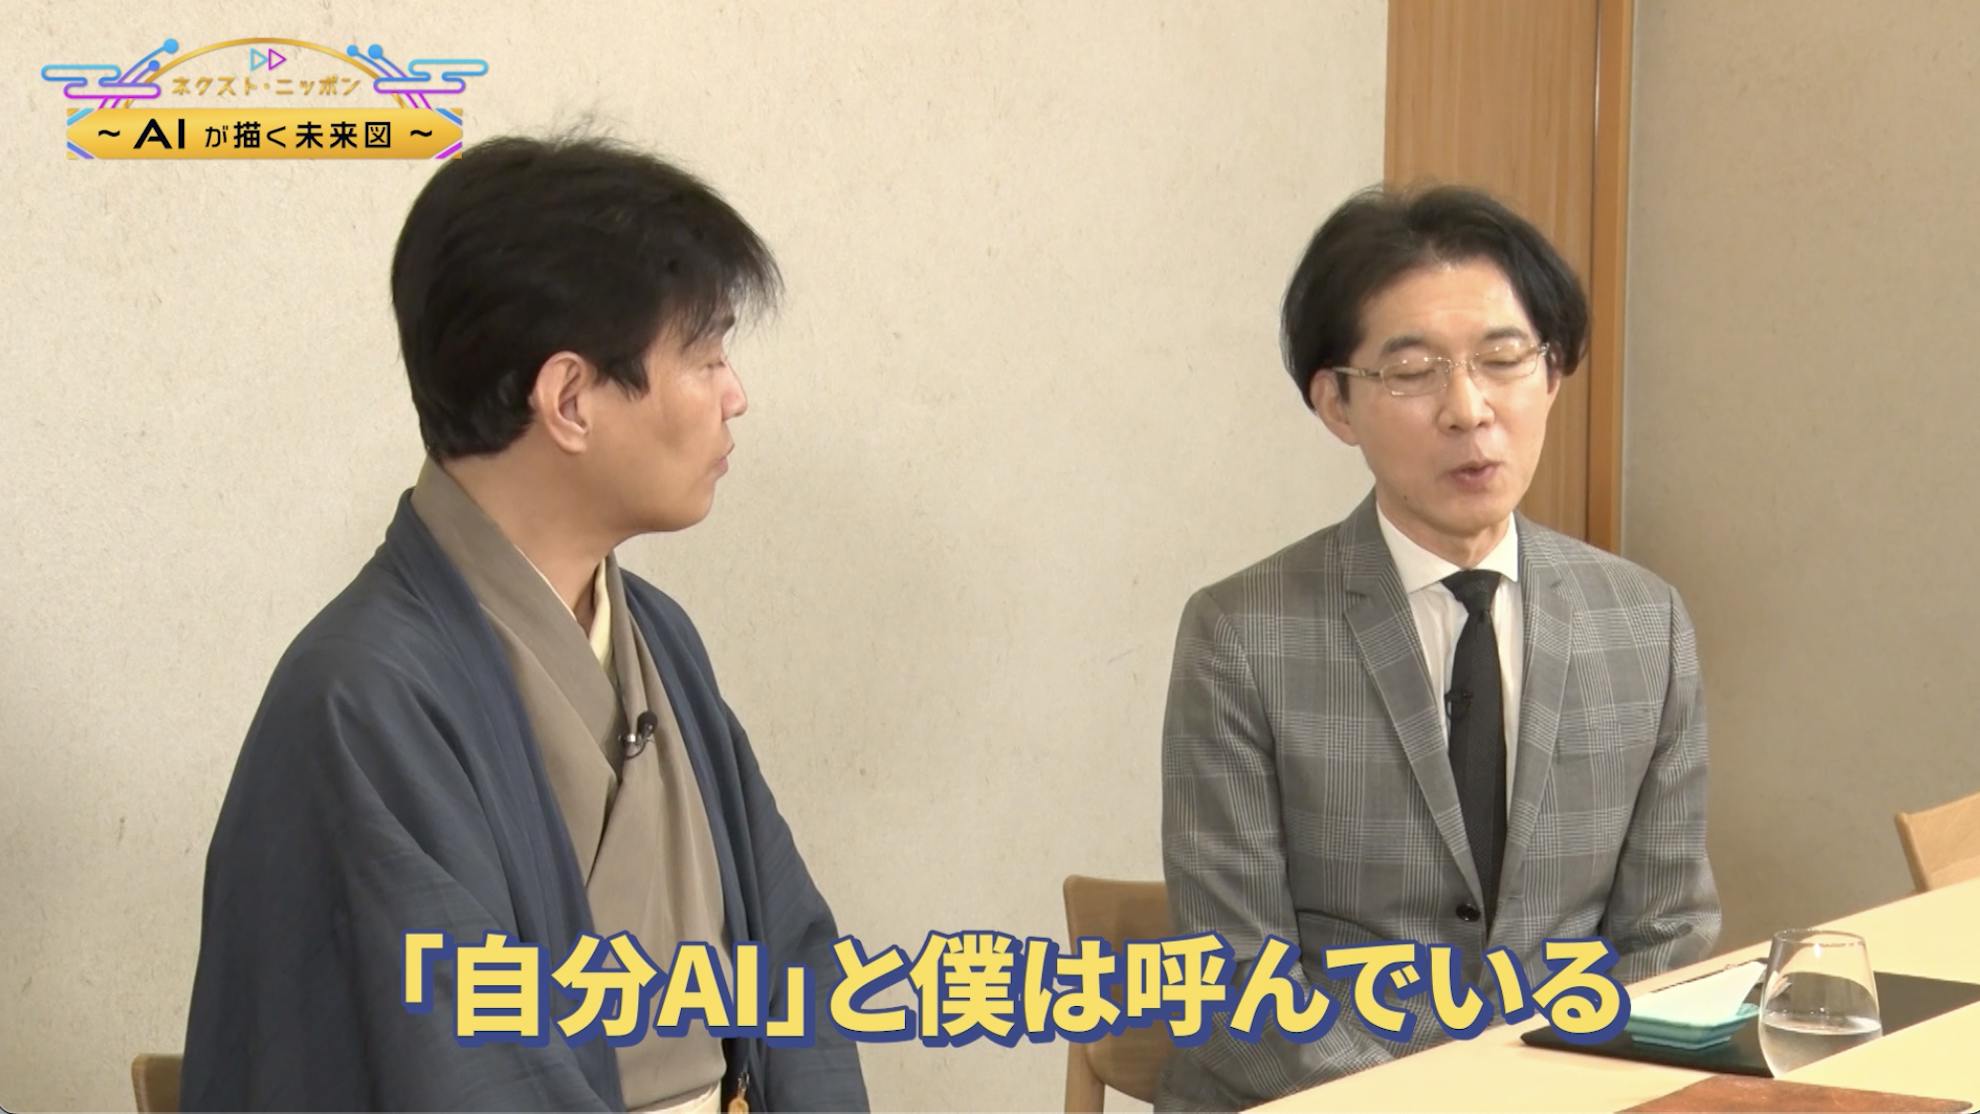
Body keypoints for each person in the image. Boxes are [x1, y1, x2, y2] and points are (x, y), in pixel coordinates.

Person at [182, 134, 867, 1112]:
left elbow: (794, 961)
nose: (735, 394)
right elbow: (458, 1072)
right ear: (571, 400)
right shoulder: (359, 698)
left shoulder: (661, 641)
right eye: (707, 354)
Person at [1157, 184, 1719, 1109]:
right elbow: (1234, 983)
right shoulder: (1242, 636)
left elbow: (1669, 934)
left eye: (1503, 360)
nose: (1469, 409)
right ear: (1337, 403)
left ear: (1552, 373)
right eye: (1413, 371)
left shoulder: (1643, 622)